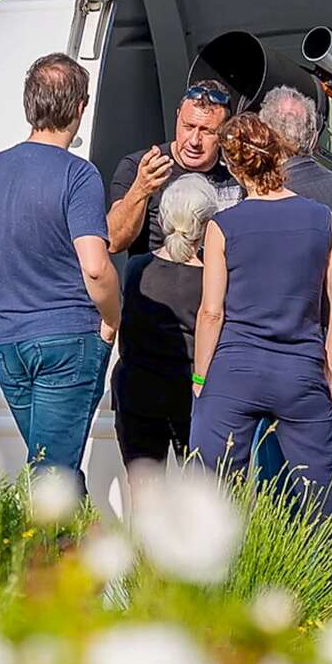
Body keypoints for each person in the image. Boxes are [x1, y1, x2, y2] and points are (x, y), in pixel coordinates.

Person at [189, 113, 332, 551]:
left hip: (235, 370)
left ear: (234, 165)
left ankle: (208, 597)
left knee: (211, 496)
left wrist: (200, 379)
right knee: (325, 499)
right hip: (300, 370)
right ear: (279, 154)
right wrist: (327, 366)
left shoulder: (222, 227)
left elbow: (211, 313)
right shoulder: (322, 219)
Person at [0, 54, 120, 489]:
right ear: (80, 108)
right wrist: (111, 319)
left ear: (30, 104)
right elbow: (96, 268)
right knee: (53, 479)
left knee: (50, 470)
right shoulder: (78, 176)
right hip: (67, 339)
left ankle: (76, 553)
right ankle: (49, 556)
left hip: (7, 343)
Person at [255, 85, 332, 480]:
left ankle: (280, 543)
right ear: (313, 136)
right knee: (319, 468)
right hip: (328, 345)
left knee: (272, 473)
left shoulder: (261, 195)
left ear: (266, 135)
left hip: (268, 348)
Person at [111, 175, 218, 475]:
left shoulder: (136, 268)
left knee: (145, 494)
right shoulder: (211, 280)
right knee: (198, 494)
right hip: (191, 396)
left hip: (136, 394)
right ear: (207, 223)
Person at [108, 80, 241, 256]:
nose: (194, 141)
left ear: (224, 131)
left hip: (220, 280)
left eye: (207, 131)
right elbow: (114, 242)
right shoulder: (142, 167)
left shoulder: (236, 173)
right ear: (177, 117)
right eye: (188, 126)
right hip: (156, 279)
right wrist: (141, 189)